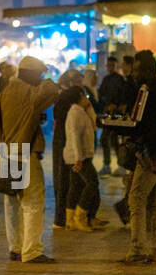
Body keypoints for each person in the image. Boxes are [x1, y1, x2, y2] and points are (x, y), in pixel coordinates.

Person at [0, 55, 60, 264]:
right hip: (25, 154)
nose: (41, 78)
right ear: (31, 75)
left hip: (7, 152)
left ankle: (15, 248)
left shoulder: (4, 93)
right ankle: (32, 251)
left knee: (11, 202)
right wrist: (47, 75)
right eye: (38, 74)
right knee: (32, 202)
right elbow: (53, 90)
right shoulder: (30, 92)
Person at [115, 51, 156, 264]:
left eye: (138, 69)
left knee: (136, 199)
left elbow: (139, 124)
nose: (134, 73)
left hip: (151, 155)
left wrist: (122, 128)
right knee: (153, 202)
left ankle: (137, 249)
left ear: (148, 71)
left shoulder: (147, 92)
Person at [61, 85, 104, 231]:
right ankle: (80, 217)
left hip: (82, 155)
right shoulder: (75, 113)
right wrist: (79, 158)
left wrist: (90, 109)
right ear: (79, 96)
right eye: (85, 95)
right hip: (78, 156)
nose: (87, 98)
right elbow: (74, 136)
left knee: (76, 186)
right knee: (92, 183)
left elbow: (95, 126)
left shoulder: (82, 111)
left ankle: (71, 219)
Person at [51, 70, 83, 229]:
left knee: (64, 180)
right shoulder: (70, 97)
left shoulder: (62, 97)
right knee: (65, 180)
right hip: (65, 141)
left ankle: (63, 218)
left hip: (61, 140)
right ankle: (63, 218)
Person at [97, 56, 129, 176]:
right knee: (105, 139)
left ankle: (120, 166)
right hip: (108, 113)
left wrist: (115, 105)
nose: (110, 68)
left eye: (112, 65)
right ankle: (107, 165)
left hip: (117, 115)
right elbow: (102, 95)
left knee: (114, 141)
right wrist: (106, 105)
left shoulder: (120, 80)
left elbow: (123, 97)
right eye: (108, 65)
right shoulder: (106, 80)